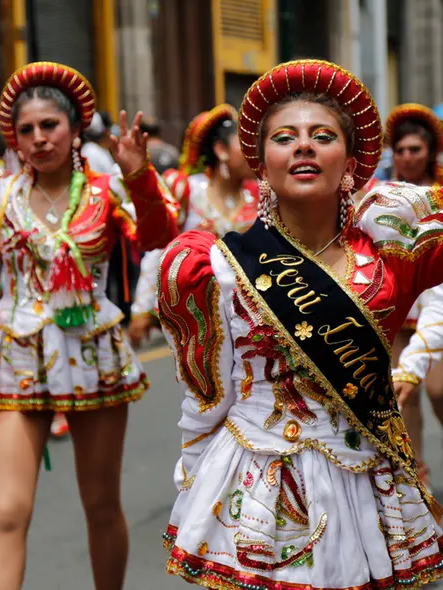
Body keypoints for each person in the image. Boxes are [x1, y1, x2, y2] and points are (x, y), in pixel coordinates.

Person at [160, 59, 443, 589]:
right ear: (262, 165)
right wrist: (194, 479)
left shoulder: (391, 254)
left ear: (351, 163)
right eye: (285, 138)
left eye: (323, 136)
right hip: (259, 484)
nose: (304, 146)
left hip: (365, 478)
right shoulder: (221, 267)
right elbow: (208, 398)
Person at [0, 62, 179, 589]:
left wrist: (139, 175)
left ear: (75, 130)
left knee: (101, 505)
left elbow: (159, 237)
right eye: (26, 129)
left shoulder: (106, 192)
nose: (38, 138)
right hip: (18, 358)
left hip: (94, 356)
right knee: (8, 512)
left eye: (50, 125)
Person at [128, 104, 257, 347]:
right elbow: (160, 249)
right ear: (221, 150)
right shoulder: (187, 190)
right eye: (244, 145)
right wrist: (141, 309)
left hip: (251, 316)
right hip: (198, 318)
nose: (254, 153)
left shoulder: (260, 194)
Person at [380, 104, 443, 486]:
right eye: (400, 150)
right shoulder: (380, 195)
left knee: (437, 389)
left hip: (437, 302)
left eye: (414, 149)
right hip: (397, 304)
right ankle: (417, 480)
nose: (407, 157)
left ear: (430, 150)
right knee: (402, 394)